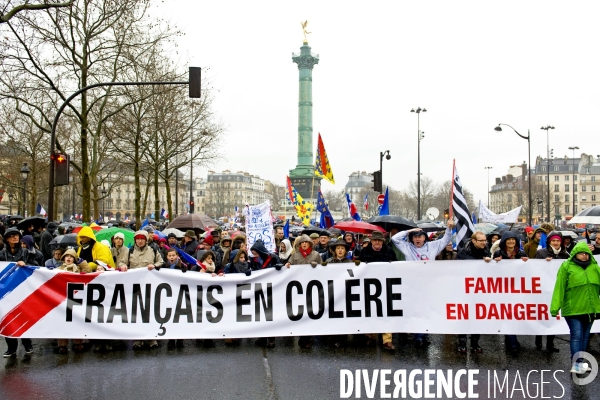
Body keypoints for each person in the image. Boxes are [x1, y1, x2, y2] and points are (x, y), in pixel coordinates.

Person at [551, 242, 600, 374]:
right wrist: (555, 308)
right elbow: (559, 288)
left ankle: (580, 362)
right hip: (572, 309)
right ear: (575, 254)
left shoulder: (595, 267)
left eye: (586, 253)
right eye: (580, 253)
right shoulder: (566, 266)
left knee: (585, 336)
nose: (583, 255)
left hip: (590, 309)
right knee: (577, 335)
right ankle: (577, 363)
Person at [123, 230, 164, 350]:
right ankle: (138, 338)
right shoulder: (129, 251)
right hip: (134, 287)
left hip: (150, 287)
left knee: (150, 312)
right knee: (137, 313)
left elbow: (161, 261)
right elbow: (122, 262)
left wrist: (155, 266)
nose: (140, 241)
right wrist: (123, 266)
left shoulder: (153, 251)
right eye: (138, 239)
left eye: (142, 239)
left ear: (146, 240)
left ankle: (152, 337)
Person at [358, 231, 398, 350]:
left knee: (386, 312)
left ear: (382, 241)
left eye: (379, 240)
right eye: (375, 240)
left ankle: (387, 339)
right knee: (370, 311)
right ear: (371, 241)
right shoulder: (364, 252)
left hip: (386, 285)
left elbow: (396, 266)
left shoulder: (389, 251)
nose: (377, 242)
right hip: (369, 286)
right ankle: (371, 336)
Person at [0, 227, 37, 358]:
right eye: (12, 236)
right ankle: (11, 348)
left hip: (23, 290)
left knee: (23, 317)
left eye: (16, 235)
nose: (15, 237)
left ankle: (27, 344)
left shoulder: (27, 252)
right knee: (8, 319)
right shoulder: (1, 254)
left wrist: (25, 264)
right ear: (6, 239)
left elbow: (37, 265)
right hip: (6, 292)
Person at [493, 231, 529, 355]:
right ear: (504, 241)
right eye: (508, 240)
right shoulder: (498, 253)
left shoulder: (521, 253)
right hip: (503, 290)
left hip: (518, 290)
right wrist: (495, 262)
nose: (511, 242)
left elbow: (527, 271)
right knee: (507, 315)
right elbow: (491, 272)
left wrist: (526, 262)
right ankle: (512, 343)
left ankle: (511, 340)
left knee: (515, 316)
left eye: (513, 240)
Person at [456, 231, 492, 353]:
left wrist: (491, 262)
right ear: (474, 241)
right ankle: (462, 343)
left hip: (479, 290)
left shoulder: (486, 251)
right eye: (481, 240)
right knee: (464, 316)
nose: (484, 242)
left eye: (485, 240)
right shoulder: (463, 253)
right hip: (465, 290)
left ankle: (475, 343)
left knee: (478, 317)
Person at [533, 231, 569, 353]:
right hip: (543, 289)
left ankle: (550, 343)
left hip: (556, 290)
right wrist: (544, 264)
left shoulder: (566, 255)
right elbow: (534, 269)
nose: (556, 243)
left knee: (553, 317)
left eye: (558, 241)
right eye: (553, 241)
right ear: (549, 242)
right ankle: (538, 338)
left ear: (561, 242)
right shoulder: (541, 253)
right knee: (542, 315)